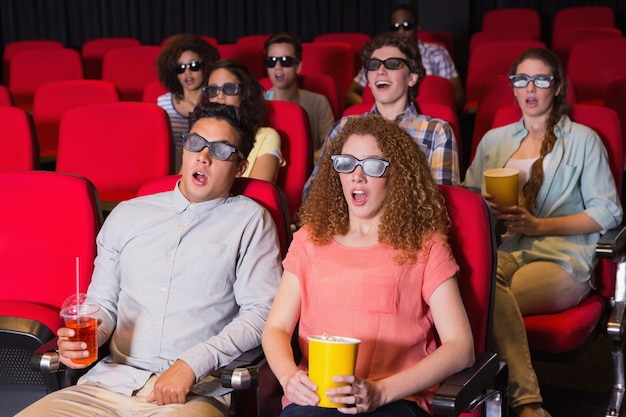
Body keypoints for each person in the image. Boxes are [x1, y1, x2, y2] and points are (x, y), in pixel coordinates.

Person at [17, 103, 283, 417]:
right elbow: (103, 304)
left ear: (240, 167)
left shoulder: (250, 220)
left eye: (221, 150)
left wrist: (192, 364)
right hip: (104, 387)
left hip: (191, 394)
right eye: (196, 143)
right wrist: (83, 341)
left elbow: (262, 312)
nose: (203, 157)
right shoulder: (128, 215)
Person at [262, 114, 474, 417]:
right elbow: (276, 328)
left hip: (397, 401)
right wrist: (288, 377)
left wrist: (380, 391)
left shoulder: (426, 245)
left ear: (397, 176)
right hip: (316, 399)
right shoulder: (309, 238)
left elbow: (460, 347)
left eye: (373, 165)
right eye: (347, 163)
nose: (357, 176)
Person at [463, 48, 622, 417]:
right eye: (521, 80)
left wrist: (540, 226)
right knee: (474, 287)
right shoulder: (494, 140)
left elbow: (608, 209)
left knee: (486, 301)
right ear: (513, 88)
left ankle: (517, 400)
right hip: (504, 248)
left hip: (562, 256)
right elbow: (468, 197)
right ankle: (519, 403)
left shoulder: (583, 139)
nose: (530, 88)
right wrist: (486, 206)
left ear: (558, 85)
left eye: (541, 79)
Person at [303, 31, 460, 199]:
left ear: (412, 77)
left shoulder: (437, 132)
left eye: (392, 64)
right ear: (368, 80)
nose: (381, 71)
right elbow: (312, 192)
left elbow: (440, 203)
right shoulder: (343, 128)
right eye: (374, 65)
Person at [344, 3, 465, 110]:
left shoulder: (437, 53)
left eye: (407, 26)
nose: (401, 31)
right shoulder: (379, 57)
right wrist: (379, 107)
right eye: (395, 27)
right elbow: (351, 93)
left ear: (418, 27)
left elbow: (458, 97)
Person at [205, 59, 286, 183]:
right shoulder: (200, 134)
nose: (220, 96)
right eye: (213, 90)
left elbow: (257, 194)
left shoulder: (266, 137)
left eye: (229, 88)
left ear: (243, 93)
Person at [263, 32, 335, 162]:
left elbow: (329, 145)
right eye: (271, 61)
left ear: (298, 66)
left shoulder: (319, 102)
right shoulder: (258, 103)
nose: (277, 67)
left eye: (286, 61)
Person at [155, 33, 220, 173]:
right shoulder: (162, 103)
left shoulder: (217, 99)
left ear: (206, 66)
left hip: (209, 163)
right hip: (173, 165)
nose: (187, 73)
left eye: (194, 65)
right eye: (181, 68)